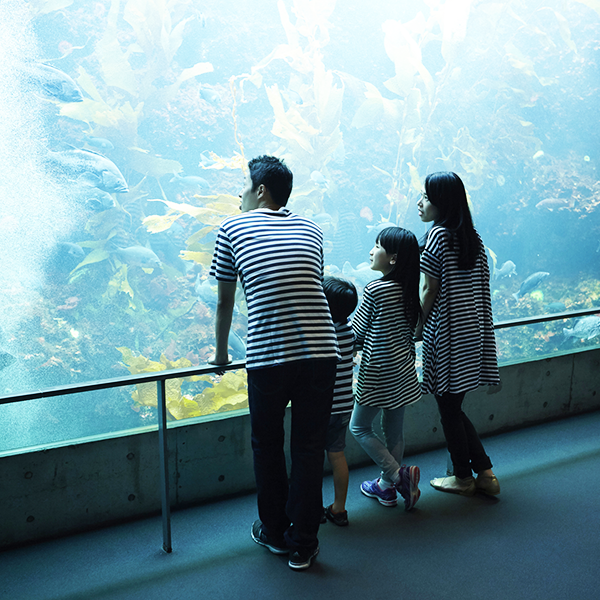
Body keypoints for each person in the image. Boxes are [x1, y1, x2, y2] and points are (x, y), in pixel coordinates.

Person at [209, 155, 339, 571]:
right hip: (322, 354)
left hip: (269, 357)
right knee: (308, 447)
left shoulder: (231, 228)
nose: (239, 195)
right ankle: (304, 542)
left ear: (260, 190)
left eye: (243, 187)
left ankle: (273, 531)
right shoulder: (311, 228)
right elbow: (307, 286)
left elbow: (225, 300)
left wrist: (221, 353)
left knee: (267, 446)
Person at [417, 171, 501, 497]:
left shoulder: (437, 236)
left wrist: (416, 326)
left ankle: (464, 477)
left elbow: (428, 289)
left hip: (448, 334)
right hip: (472, 332)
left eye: (426, 196)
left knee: (448, 408)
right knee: (454, 406)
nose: (420, 202)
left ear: (442, 202)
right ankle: (485, 473)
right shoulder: (472, 237)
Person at [349, 227, 422, 511]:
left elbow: (357, 332)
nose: (371, 250)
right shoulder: (410, 287)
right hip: (403, 370)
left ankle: (397, 475)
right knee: (395, 432)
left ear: (392, 258)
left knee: (359, 426)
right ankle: (386, 487)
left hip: (378, 371)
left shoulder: (375, 289)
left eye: (377, 246)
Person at [321, 276, 358, 526]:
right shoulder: (349, 333)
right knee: (337, 456)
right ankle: (339, 509)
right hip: (345, 404)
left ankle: (310, 508)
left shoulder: (321, 334)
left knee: (310, 458)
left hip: (321, 408)